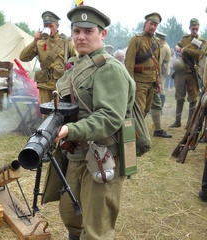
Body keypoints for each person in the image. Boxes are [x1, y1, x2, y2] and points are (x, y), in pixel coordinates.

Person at [54, 5, 136, 240]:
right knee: (72, 217)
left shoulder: (109, 69)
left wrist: (72, 129)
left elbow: (109, 117)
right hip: (75, 154)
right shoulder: (75, 65)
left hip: (101, 156)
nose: (81, 36)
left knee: (96, 230)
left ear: (102, 34)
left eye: (88, 31)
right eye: (77, 30)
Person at [125, 12, 172, 138]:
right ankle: (132, 135)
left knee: (146, 109)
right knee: (139, 109)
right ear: (145, 23)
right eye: (151, 24)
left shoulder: (156, 42)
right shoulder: (136, 40)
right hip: (139, 81)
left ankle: (136, 132)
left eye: (155, 25)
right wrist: (130, 81)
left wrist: (158, 82)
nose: (153, 27)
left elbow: (157, 63)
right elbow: (129, 62)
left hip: (151, 80)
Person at [19, 11, 76, 108]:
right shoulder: (40, 42)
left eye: (51, 26)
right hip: (44, 84)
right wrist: (34, 41)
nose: (48, 28)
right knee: (46, 112)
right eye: (45, 26)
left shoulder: (67, 41)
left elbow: (76, 59)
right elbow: (23, 57)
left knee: (60, 112)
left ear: (57, 26)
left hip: (61, 84)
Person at [169, 18, 206, 129]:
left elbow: (198, 54)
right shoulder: (185, 39)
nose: (194, 31)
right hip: (181, 72)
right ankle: (177, 121)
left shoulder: (202, 41)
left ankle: (190, 123)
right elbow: (178, 45)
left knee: (193, 98)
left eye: (196, 28)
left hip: (193, 72)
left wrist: (185, 50)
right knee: (179, 97)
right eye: (193, 28)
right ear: (190, 28)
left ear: (198, 28)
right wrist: (177, 47)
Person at [155, 31, 171, 109]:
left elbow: (159, 61)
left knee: (161, 89)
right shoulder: (165, 46)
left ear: (160, 39)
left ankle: (159, 108)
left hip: (162, 70)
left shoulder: (163, 48)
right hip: (164, 69)